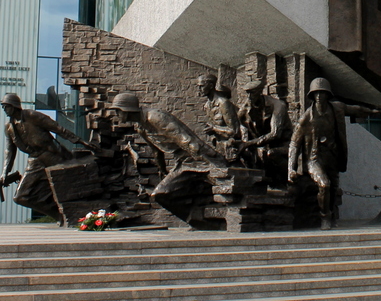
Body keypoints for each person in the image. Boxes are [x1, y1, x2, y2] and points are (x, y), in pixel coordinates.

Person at [111, 92, 224, 223]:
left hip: (198, 156)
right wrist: (163, 170)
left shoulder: (155, 117)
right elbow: (157, 152)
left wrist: (209, 163)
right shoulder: (141, 127)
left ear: (126, 109)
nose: (116, 115)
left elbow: (185, 140)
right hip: (183, 161)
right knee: (160, 195)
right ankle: (202, 221)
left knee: (225, 184)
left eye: (117, 111)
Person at [288, 77, 380, 229]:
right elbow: (294, 144)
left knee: (332, 188)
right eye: (316, 93)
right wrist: (290, 169)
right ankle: (325, 217)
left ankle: (330, 214)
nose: (319, 96)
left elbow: (355, 109)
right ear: (312, 96)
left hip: (332, 156)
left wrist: (372, 111)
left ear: (327, 95)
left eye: (322, 93)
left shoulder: (337, 108)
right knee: (324, 185)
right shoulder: (306, 119)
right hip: (314, 159)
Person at [0, 93, 96, 220]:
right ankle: (59, 215)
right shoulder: (9, 127)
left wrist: (80, 141)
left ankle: (81, 213)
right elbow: (9, 151)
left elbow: (58, 128)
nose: (4, 109)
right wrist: (5, 172)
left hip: (53, 156)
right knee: (20, 197)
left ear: (14, 106)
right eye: (3, 107)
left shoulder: (32, 116)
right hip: (35, 160)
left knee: (70, 186)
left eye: (6, 106)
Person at [237, 78, 292, 178]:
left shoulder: (278, 106)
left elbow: (275, 134)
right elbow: (242, 126)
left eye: (252, 93)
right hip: (262, 145)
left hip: (283, 145)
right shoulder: (246, 108)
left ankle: (285, 182)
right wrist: (244, 143)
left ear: (260, 92)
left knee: (271, 154)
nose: (249, 97)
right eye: (247, 93)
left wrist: (249, 143)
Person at [198, 73, 240, 162]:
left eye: (201, 86)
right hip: (218, 148)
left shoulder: (223, 103)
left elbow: (234, 131)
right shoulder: (207, 106)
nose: (199, 89)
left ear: (210, 86)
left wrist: (214, 128)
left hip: (232, 150)